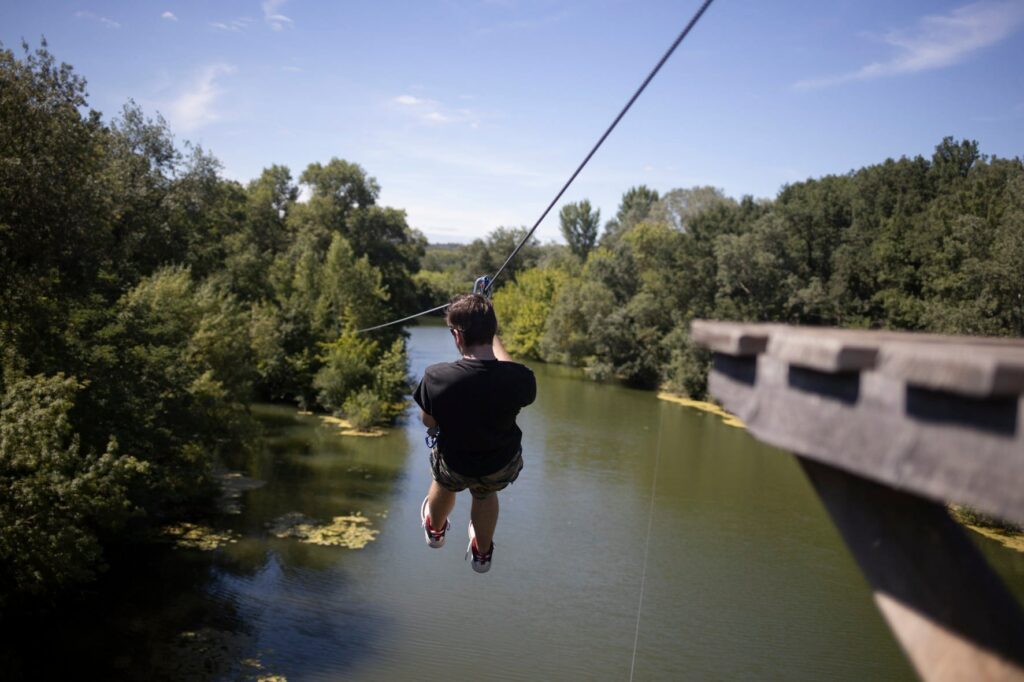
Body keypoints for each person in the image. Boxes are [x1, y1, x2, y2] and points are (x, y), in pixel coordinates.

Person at [413, 293, 536, 573]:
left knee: (443, 480)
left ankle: (435, 530)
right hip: (499, 464)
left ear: (457, 336)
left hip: (455, 463)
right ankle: (481, 554)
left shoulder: (436, 376)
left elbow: (427, 421)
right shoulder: (520, 379)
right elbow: (509, 367)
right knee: (484, 493)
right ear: (492, 333)